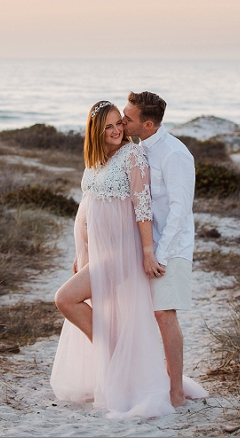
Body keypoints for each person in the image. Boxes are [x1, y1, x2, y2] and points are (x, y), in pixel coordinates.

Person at [49, 100, 205, 419]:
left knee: (65, 299)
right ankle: (121, 359)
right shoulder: (94, 161)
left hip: (123, 253)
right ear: (95, 131)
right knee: (89, 306)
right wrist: (82, 253)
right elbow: (87, 209)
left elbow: (143, 207)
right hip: (101, 254)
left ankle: (119, 357)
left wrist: (149, 252)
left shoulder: (131, 154)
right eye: (109, 126)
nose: (118, 129)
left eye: (120, 123)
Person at [121, 91, 196, 408]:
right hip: (146, 247)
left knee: (165, 315)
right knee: (144, 314)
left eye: (128, 118)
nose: (122, 122)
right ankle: (154, 381)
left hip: (171, 248)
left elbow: (180, 210)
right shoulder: (136, 149)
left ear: (148, 124)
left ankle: (176, 391)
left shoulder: (174, 153)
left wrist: (160, 255)